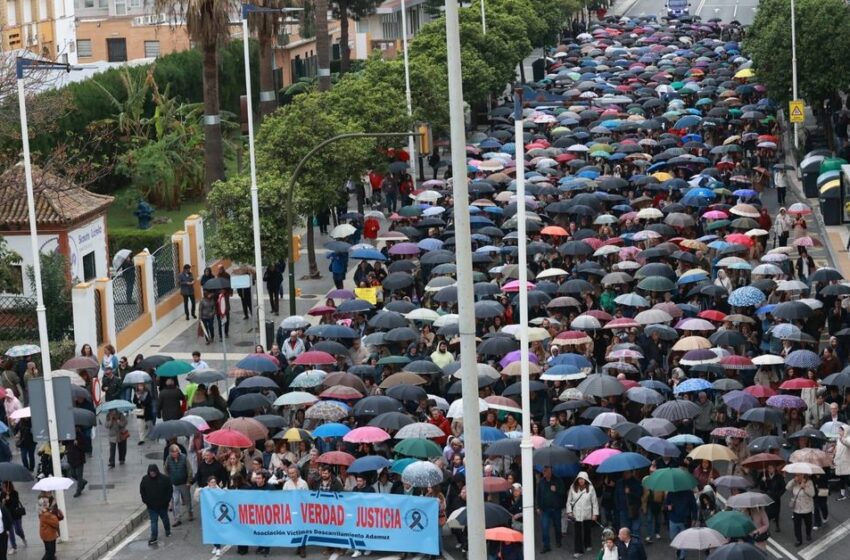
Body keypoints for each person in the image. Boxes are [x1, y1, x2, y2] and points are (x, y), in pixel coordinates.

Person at [566, 471, 599, 558]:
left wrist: (595, 514)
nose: (581, 480)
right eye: (580, 479)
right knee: (577, 533)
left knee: (587, 530)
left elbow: (594, 502)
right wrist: (569, 511)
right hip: (576, 514)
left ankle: (587, 544)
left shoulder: (590, 488)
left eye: (583, 479)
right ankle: (578, 550)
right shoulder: (573, 487)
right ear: (577, 479)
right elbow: (569, 501)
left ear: (586, 480)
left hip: (587, 513)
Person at [140, 464, 172, 546]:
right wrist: (145, 500)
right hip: (151, 506)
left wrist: (167, 500)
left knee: (165, 518)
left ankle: (167, 531)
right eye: (151, 472)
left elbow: (169, 490)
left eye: (153, 472)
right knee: (154, 521)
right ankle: (154, 536)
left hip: (162, 505)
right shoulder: (145, 479)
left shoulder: (164, 479)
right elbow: (142, 491)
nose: (152, 474)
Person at [536, 465, 565, 553]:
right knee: (544, 527)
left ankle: (558, 540)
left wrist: (556, 489)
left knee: (557, 526)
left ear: (551, 471)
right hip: (545, 509)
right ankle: (546, 545)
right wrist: (537, 506)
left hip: (556, 508)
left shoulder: (558, 480)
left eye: (546, 471)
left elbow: (563, 492)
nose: (544, 472)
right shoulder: (541, 482)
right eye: (543, 471)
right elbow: (538, 495)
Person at [164, 444, 193, 527]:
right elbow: (166, 468)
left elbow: (189, 470)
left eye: (176, 452)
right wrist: (168, 479)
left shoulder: (183, 458)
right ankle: (177, 518)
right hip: (174, 483)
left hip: (184, 483)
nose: (175, 454)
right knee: (175, 501)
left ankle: (190, 512)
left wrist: (189, 481)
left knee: (187, 499)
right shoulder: (169, 458)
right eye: (173, 452)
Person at [283, 466, 309, 557]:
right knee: (295, 529)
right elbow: (284, 498)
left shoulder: (303, 483)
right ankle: (298, 546)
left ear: (297, 473)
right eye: (290, 473)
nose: (292, 475)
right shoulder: (286, 484)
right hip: (292, 510)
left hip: (302, 510)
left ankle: (302, 549)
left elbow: (307, 496)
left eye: (293, 473)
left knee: (302, 529)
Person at [665, 488, 698, 560]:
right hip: (673, 519)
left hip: (685, 520)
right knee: (673, 538)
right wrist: (668, 507)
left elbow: (694, 506)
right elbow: (666, 504)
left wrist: (694, 518)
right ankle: (679, 549)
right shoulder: (671, 492)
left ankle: (682, 557)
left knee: (684, 540)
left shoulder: (689, 493)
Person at [786, 473, 814, 546]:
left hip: (806, 508)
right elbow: (787, 488)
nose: (798, 476)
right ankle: (799, 540)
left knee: (808, 523)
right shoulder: (794, 482)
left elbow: (812, 494)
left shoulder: (809, 482)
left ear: (803, 475)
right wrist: (793, 481)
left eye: (799, 475)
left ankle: (808, 534)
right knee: (797, 525)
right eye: (796, 475)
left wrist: (805, 487)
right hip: (797, 508)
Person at [0, 482, 25, 553]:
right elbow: (2, 506)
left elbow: (15, 503)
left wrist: (9, 499)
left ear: (8, 486)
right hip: (7, 516)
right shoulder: (2, 494)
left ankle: (23, 537)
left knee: (18, 530)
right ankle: (14, 547)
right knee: (10, 531)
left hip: (16, 515)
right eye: (2, 486)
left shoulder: (15, 493)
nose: (3, 488)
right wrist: (4, 502)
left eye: (4, 486)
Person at [66, 429, 87, 497]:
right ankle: (83, 482)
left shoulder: (80, 435)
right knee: (72, 474)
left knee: (79, 475)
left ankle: (78, 490)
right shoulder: (68, 434)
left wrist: (78, 443)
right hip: (71, 458)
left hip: (79, 459)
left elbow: (85, 447)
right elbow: (64, 443)